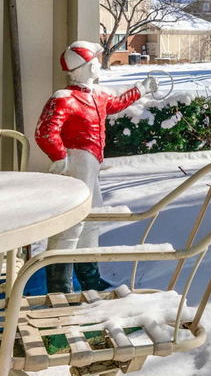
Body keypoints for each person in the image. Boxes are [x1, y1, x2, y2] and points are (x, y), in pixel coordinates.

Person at [33, 41, 157, 292]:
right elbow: (45, 132)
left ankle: (89, 277)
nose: (99, 65)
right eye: (96, 61)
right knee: (71, 223)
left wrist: (141, 89)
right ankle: (59, 285)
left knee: (91, 219)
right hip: (76, 162)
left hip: (91, 164)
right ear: (88, 67)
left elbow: (116, 104)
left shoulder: (96, 96)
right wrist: (59, 157)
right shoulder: (64, 98)